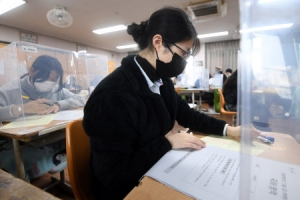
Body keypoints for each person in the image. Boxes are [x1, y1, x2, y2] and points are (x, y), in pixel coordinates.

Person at [83, 6, 258, 199]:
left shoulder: (160, 79)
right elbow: (114, 176)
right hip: (124, 190)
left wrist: (228, 129)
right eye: (184, 53)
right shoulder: (112, 95)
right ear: (158, 42)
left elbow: (187, 114)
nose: (183, 61)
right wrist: (167, 143)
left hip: (154, 168)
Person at [0, 55, 85, 180]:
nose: (49, 83)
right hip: (19, 141)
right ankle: (49, 162)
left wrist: (58, 104)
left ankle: (54, 159)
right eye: (45, 78)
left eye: (54, 79)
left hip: (46, 137)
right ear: (31, 71)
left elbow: (80, 99)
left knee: (77, 136)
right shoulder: (10, 90)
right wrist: (21, 108)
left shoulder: (56, 90)